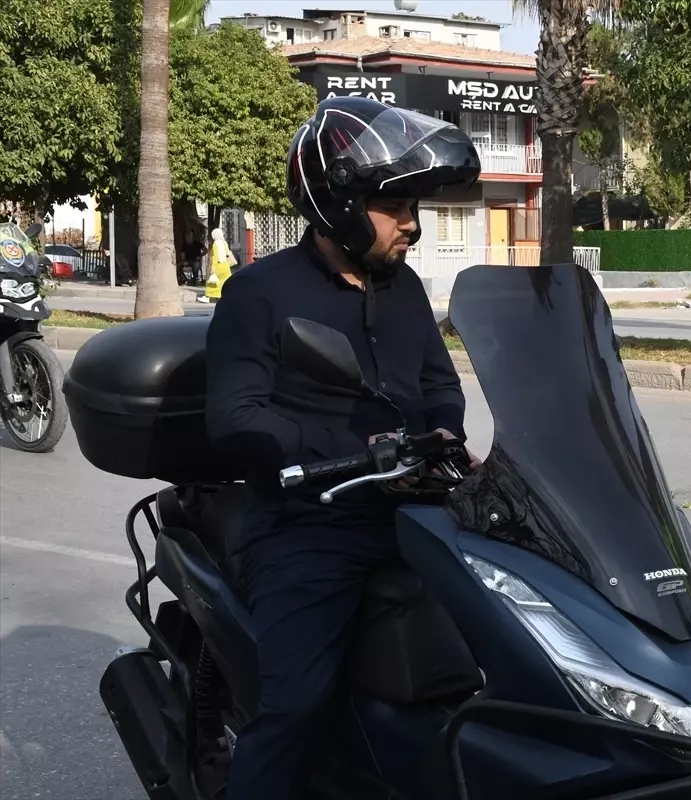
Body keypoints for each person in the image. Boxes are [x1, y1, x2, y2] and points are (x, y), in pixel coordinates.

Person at [205, 96, 482, 800]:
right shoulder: (260, 293)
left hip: (418, 511)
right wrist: (356, 448)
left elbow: (436, 382)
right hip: (310, 523)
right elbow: (235, 417)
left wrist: (444, 433)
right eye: (394, 207)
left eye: (413, 206)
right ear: (340, 206)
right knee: (296, 704)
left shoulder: (405, 287)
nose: (412, 223)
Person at [200, 228, 235, 304]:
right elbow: (227, 254)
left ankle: (207, 296)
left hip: (218, 266)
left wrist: (213, 268)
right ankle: (227, 295)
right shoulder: (224, 243)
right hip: (225, 265)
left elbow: (215, 257)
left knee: (212, 282)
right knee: (225, 282)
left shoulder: (215, 244)